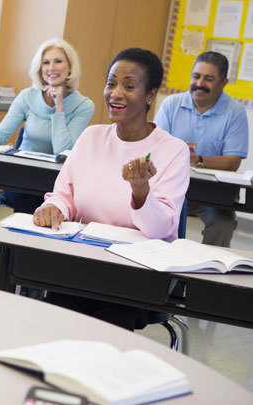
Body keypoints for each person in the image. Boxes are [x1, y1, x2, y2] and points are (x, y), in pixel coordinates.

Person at [33, 48, 190, 330]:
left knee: (105, 328)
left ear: (150, 96)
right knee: (50, 316)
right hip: (82, 262)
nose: (115, 93)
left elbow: (162, 229)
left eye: (129, 86)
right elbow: (63, 195)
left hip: (136, 273)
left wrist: (142, 192)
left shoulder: (172, 151)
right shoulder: (91, 136)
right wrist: (53, 207)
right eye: (111, 83)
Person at [0, 38, 94, 214]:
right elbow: (0, 135)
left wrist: (59, 106)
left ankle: (16, 241)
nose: (51, 67)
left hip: (56, 181)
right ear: (40, 69)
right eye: (46, 62)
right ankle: (14, 241)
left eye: (58, 61)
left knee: (44, 203)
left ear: (70, 67)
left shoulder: (83, 105)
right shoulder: (27, 96)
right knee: (27, 201)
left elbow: (63, 150)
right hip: (23, 177)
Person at [155, 51, 249, 247]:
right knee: (156, 214)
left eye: (209, 79)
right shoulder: (171, 104)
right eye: (196, 76)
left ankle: (208, 271)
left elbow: (233, 161)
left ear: (223, 83)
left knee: (223, 223)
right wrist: (179, 152)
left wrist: (197, 160)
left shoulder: (235, 112)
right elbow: (155, 147)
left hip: (212, 195)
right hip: (170, 186)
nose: (199, 84)